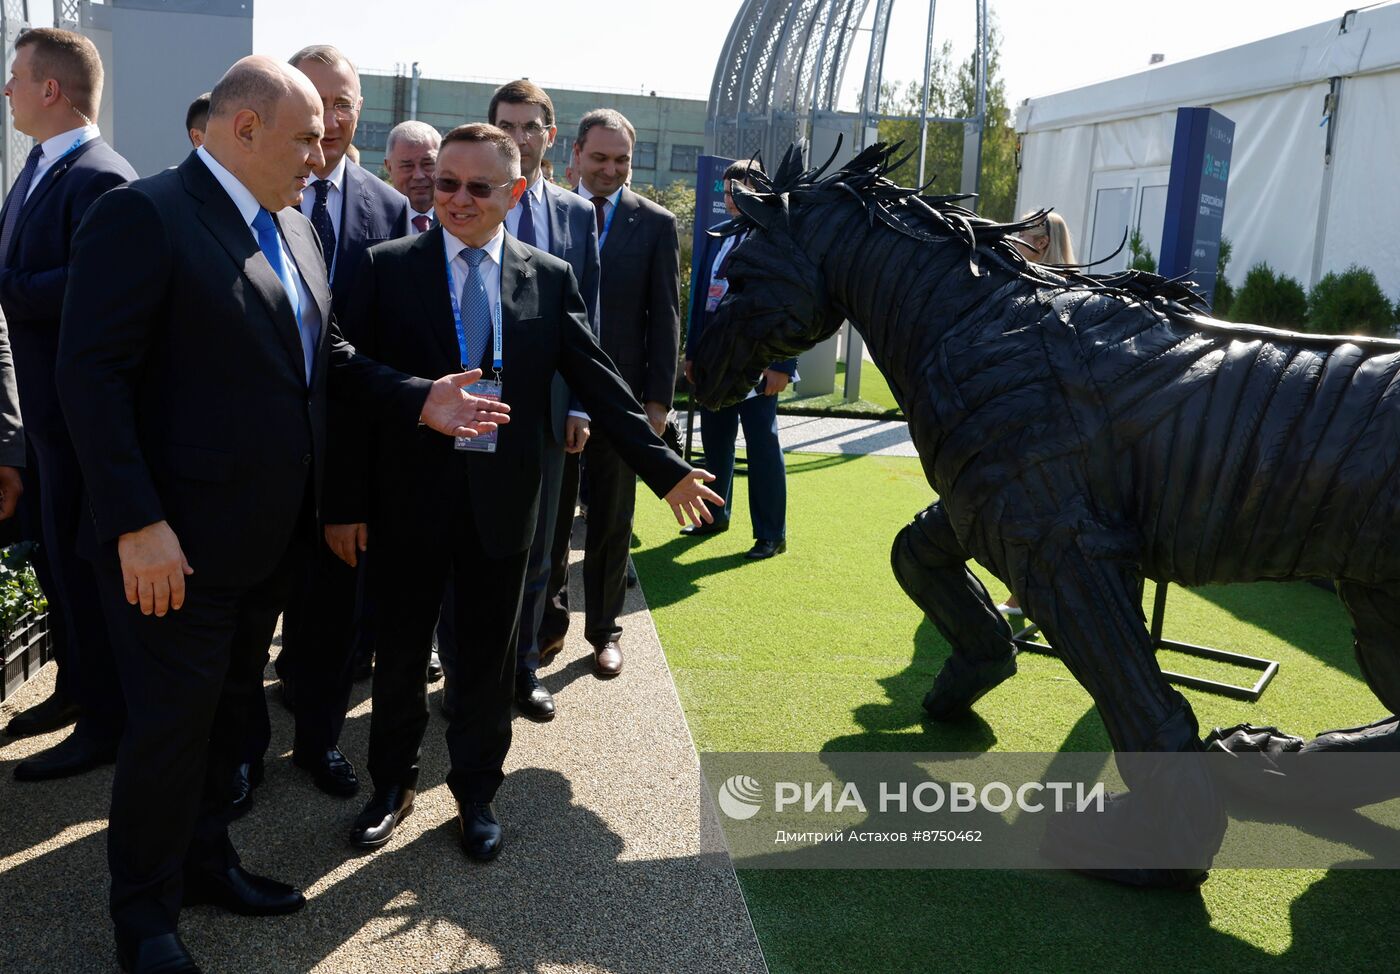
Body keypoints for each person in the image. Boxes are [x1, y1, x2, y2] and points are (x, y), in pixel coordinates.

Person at [55, 56, 508, 974]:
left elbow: (327, 357)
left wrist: (418, 395)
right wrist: (136, 521)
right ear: (244, 127)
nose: (322, 149)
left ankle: (206, 862)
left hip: (265, 543)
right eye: (305, 135)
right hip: (170, 550)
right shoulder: (144, 215)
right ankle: (143, 921)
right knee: (169, 735)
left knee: (229, 729)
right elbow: (89, 380)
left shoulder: (295, 229)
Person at [323, 122, 720, 862]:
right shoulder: (384, 267)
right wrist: (343, 504)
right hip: (406, 501)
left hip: (504, 502)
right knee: (403, 658)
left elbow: (601, 383)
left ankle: (476, 795)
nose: (459, 199)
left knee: (486, 662)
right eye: (446, 184)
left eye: (478, 187)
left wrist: (664, 470)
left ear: (513, 192)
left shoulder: (549, 275)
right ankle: (392, 786)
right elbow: (346, 387)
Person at [272, 42, 414, 804]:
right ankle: (236, 756)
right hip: (255, 456)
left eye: (346, 102)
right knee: (245, 620)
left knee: (331, 622)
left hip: (344, 463)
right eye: (317, 99)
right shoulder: (253, 194)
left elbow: (381, 353)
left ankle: (319, 742)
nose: (331, 117)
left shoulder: (390, 211)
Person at [436, 79, 601, 722]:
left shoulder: (576, 215)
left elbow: (589, 320)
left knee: (540, 545)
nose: (521, 135)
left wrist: (583, 406)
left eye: (532, 126)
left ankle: (522, 665)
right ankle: (462, 671)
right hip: (464, 400)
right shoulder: (460, 201)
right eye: (509, 124)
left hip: (549, 412)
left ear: (549, 135)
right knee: (465, 538)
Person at [0, 28, 135, 782]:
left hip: (76, 424)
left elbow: (92, 291)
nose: (8, 89)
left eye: (16, 76)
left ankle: (104, 724)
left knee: (87, 576)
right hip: (46, 424)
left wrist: (6, 288)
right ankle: (76, 693)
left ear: (51, 89)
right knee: (57, 568)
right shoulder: (43, 165)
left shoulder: (100, 177)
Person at [538, 108, 680, 678]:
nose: (611, 170)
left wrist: (657, 403)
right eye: (599, 158)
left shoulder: (655, 223)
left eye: (622, 160)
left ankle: (604, 632)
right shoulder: (548, 212)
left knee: (612, 519)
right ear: (574, 154)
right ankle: (548, 627)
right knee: (548, 521)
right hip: (553, 394)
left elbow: (665, 319)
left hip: (621, 402)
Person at [682, 160, 795, 559]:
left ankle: (771, 533)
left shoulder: (775, 235)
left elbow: (793, 303)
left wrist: (782, 364)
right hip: (715, 359)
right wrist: (693, 353)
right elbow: (701, 299)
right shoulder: (718, 235)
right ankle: (715, 515)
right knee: (716, 441)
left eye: (739, 191)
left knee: (762, 444)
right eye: (727, 192)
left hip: (757, 360)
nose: (730, 199)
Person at [999, 209, 1077, 621]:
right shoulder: (1047, 286)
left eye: (1018, 234)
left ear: (1042, 243)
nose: (1009, 240)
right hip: (1037, 414)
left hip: (1040, 419)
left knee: (1029, 509)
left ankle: (1021, 598)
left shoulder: (1045, 291)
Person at [384, 119, 439, 232]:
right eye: (407, 166)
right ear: (389, 167)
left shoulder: (462, 221)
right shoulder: (371, 224)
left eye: (428, 164)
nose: (418, 175)